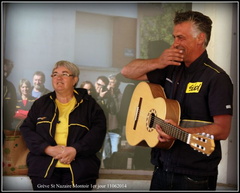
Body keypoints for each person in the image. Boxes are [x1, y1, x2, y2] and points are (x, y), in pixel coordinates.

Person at [121, 11, 233, 190]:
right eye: (174, 37)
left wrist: (182, 131)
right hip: (162, 167)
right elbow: (127, 71)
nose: (175, 44)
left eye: (181, 38)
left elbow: (222, 130)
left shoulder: (217, 78)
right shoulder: (170, 67)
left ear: (200, 38)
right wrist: (158, 61)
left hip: (195, 175)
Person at [20, 60, 107, 190]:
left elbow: (98, 132)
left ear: (75, 80)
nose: (58, 78)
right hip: (44, 169)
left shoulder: (89, 105)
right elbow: (26, 129)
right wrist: (47, 148)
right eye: (55, 74)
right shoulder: (41, 103)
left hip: (80, 171)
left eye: (65, 74)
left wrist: (75, 149)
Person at [3, 59, 17, 132]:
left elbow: (13, 104)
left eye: (8, 72)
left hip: (6, 125)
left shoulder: (10, 86)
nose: (6, 74)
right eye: (4, 71)